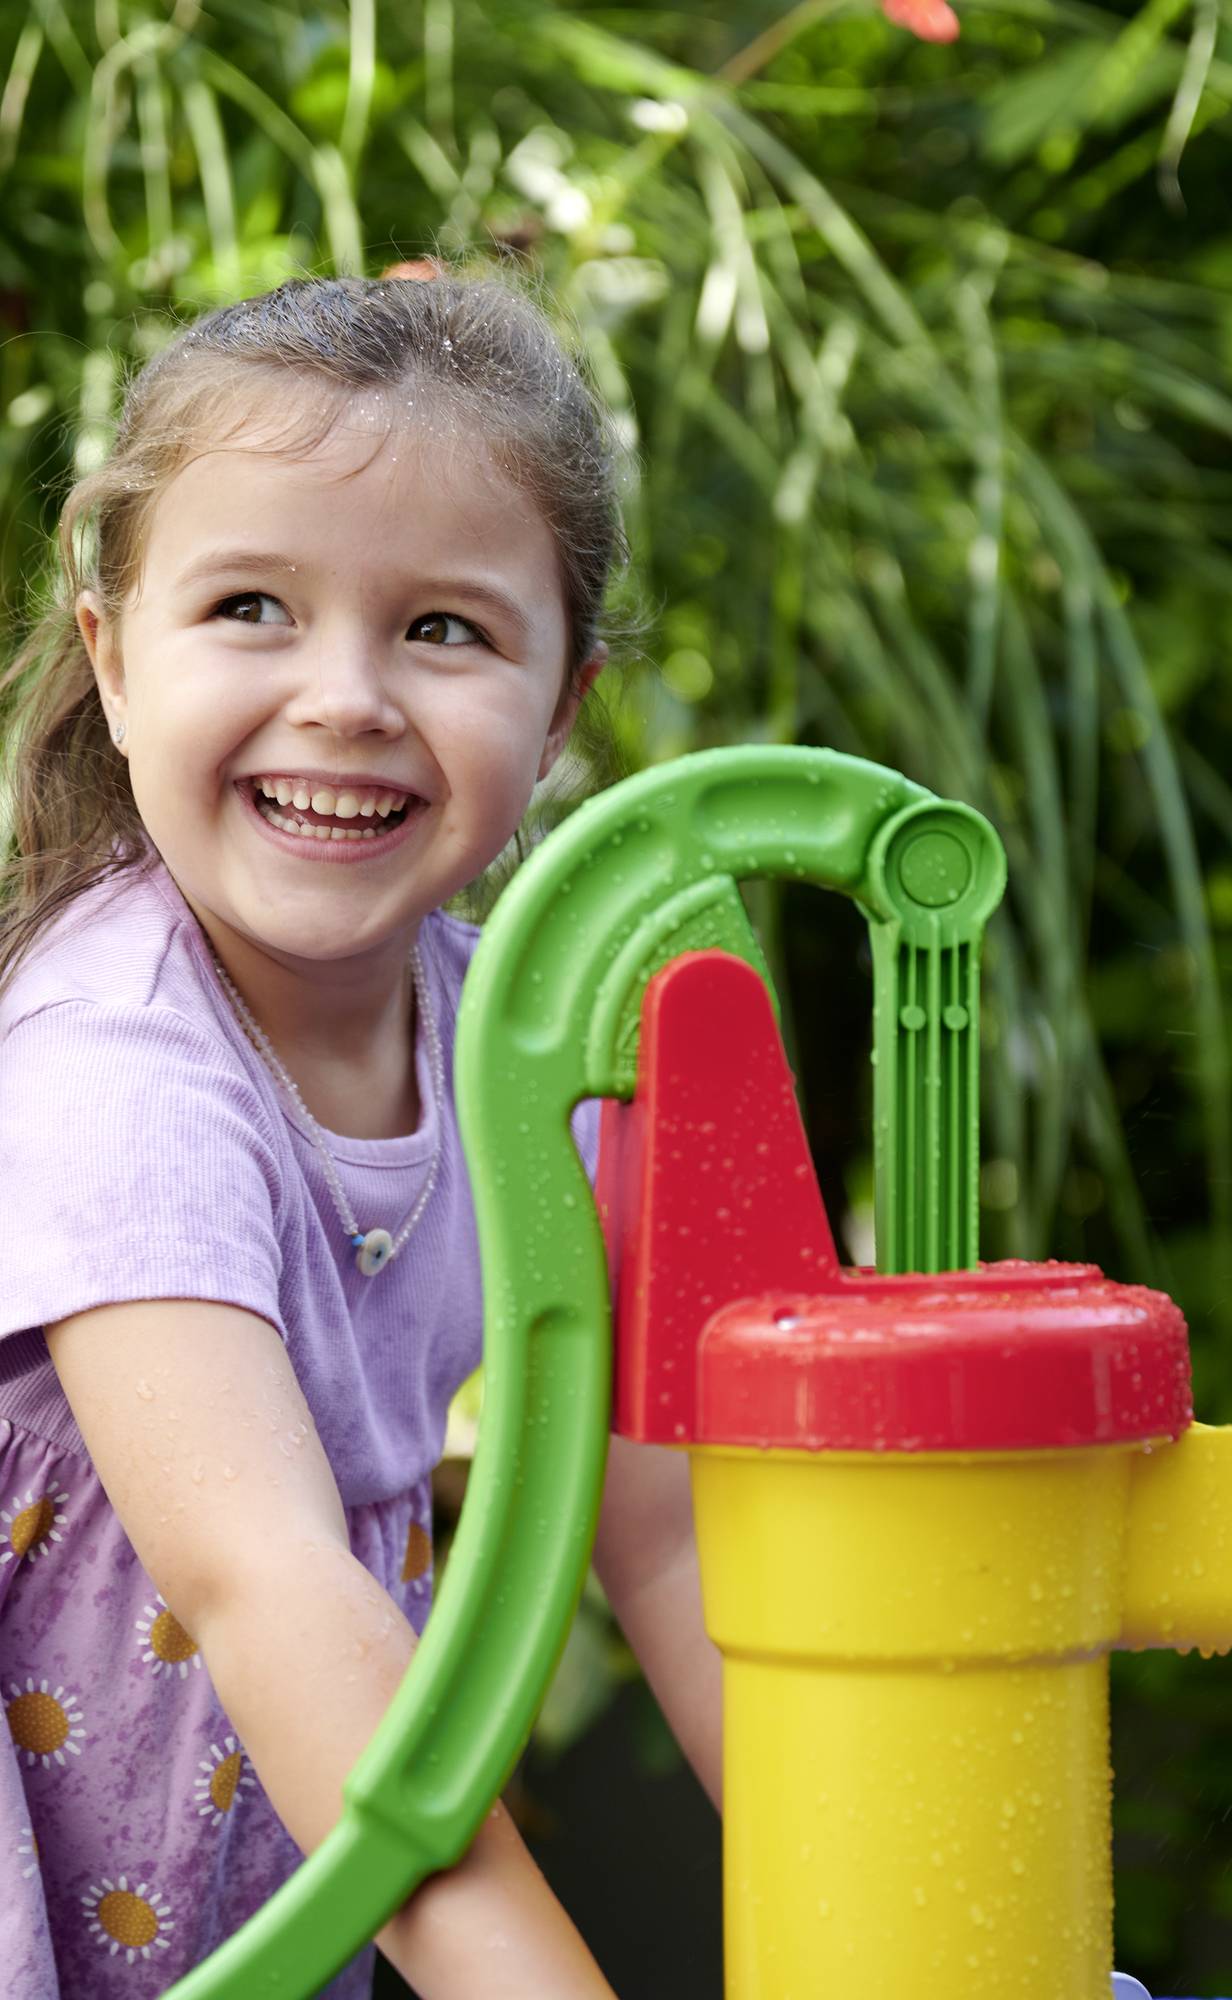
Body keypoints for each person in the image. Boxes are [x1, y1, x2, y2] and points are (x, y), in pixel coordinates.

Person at [0, 259, 722, 1999]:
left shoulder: (525, 1047)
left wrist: (919, 1913)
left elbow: (677, 1536)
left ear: (560, 711)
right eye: (251, 604)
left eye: (445, 628)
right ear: (113, 658)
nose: (345, 695)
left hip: (281, 1879)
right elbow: (262, 1584)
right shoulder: (117, 1068)